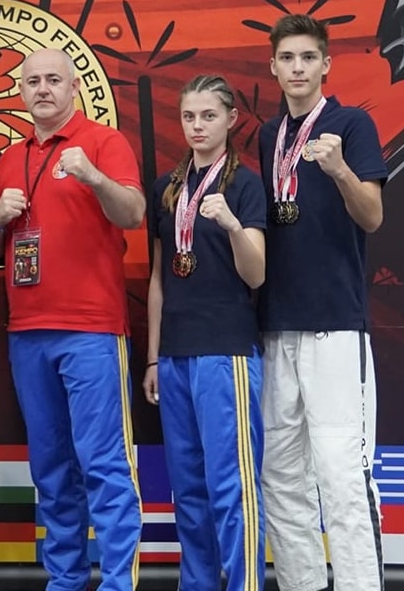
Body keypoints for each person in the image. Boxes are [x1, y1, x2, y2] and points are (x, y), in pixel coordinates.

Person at [0, 47, 146, 591]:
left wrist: (94, 177)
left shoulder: (103, 142)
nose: (43, 89)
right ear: (21, 91)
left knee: (103, 463)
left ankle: (118, 583)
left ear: (74, 87)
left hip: (92, 329)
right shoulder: (10, 158)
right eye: (33, 82)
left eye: (54, 80)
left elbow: (134, 213)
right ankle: (65, 580)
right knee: (50, 467)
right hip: (27, 332)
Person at [258, 14, 387, 591]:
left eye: (308, 57)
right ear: (273, 66)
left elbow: (373, 216)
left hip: (335, 325)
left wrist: (338, 170)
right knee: (282, 478)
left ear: (326, 64)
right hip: (277, 325)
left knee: (342, 477)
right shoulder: (268, 136)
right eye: (287, 58)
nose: (297, 68)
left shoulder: (352, 124)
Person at [143, 74, 266, 591]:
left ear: (231, 119)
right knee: (189, 490)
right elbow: (158, 279)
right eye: (189, 116)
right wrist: (153, 357)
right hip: (175, 355)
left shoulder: (246, 185)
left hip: (226, 352)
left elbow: (256, 275)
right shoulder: (166, 189)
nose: (198, 126)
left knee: (231, 486)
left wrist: (233, 225)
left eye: (209, 116)